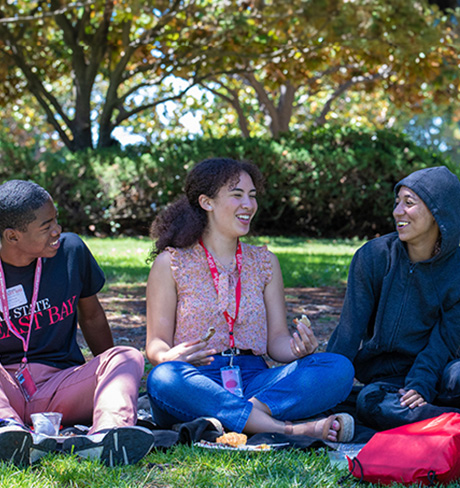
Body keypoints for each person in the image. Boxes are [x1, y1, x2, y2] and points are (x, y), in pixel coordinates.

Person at [145, 157, 355, 442]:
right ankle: (284, 429)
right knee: (163, 379)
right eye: (237, 195)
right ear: (206, 202)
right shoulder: (171, 263)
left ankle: (240, 418)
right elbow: (156, 344)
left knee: (338, 368)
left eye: (252, 196)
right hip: (197, 381)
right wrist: (167, 356)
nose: (249, 205)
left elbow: (277, 343)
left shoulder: (265, 262)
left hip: (258, 382)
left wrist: (297, 350)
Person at [0, 179, 154, 467]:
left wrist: (107, 375)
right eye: (46, 227)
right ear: (12, 236)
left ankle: (109, 434)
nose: (57, 230)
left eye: (56, 220)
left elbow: (92, 316)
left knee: (126, 356)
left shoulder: (71, 251)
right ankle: (8, 433)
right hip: (5, 387)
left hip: (60, 386)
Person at [327, 166, 460, 431]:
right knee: (370, 402)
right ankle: (448, 424)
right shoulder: (373, 257)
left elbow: (444, 340)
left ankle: (428, 418)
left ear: (438, 213)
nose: (397, 211)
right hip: (388, 382)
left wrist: (420, 385)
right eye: (397, 202)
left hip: (440, 372)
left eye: (409, 203)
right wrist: (324, 381)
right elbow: (349, 332)